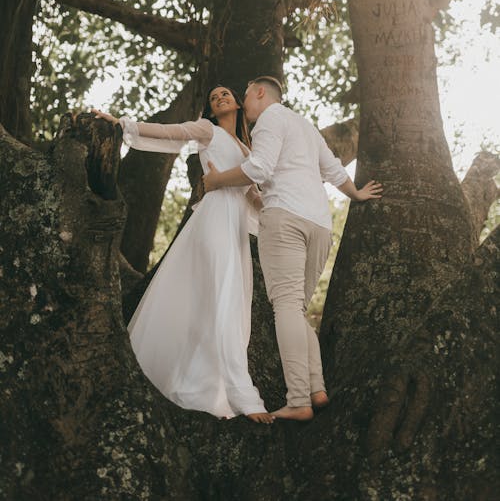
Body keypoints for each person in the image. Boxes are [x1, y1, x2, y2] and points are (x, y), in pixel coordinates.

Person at [203, 76, 382, 421]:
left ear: (259, 93)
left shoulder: (269, 120)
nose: (246, 106)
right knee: (295, 309)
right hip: (319, 224)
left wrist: (216, 181)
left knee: (284, 307)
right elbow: (331, 168)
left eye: (246, 95)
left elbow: (258, 168)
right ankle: (315, 388)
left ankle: (298, 399)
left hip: (285, 218)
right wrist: (356, 193)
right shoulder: (306, 125)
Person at [92, 85, 273, 424]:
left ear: (237, 103)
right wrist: (122, 123)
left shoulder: (248, 151)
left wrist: (282, 209)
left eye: (225, 94)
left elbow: (254, 197)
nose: (218, 97)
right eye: (213, 96)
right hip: (214, 221)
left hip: (234, 232)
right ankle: (243, 396)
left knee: (226, 303)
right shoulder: (209, 131)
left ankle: (203, 382)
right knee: (221, 296)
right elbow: (170, 133)